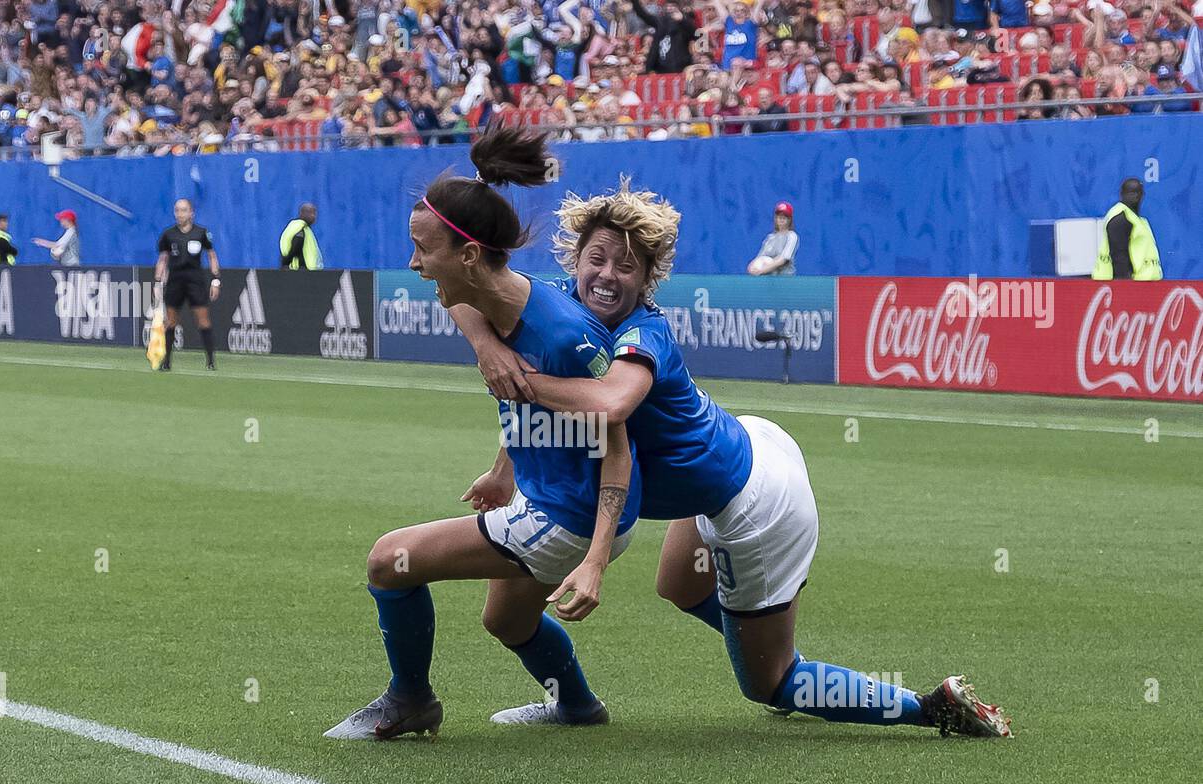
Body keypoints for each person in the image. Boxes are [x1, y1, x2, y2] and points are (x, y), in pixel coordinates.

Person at [456, 179, 1011, 737]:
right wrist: (489, 349)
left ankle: (925, 705)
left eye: (626, 266)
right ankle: (766, 640)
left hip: (755, 501)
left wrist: (516, 378)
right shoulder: (562, 304)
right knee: (678, 585)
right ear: (574, 259)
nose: (606, 275)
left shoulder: (643, 329)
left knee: (768, 684)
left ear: (649, 280)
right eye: (596, 258)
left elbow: (611, 401)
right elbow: (465, 291)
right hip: (746, 442)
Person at [324, 128, 641, 741]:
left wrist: (597, 559)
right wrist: (505, 466)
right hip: (549, 497)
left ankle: (410, 700)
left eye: (423, 250)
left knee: (391, 560)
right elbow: (465, 306)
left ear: (469, 256)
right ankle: (577, 706)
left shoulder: (562, 337)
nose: (413, 263)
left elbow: (617, 445)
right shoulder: (491, 297)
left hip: (574, 517)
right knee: (507, 620)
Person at [155, 199, 221, 371]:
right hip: (175, 280)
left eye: (183, 210)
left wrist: (215, 280)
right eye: (177, 210)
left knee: (203, 320)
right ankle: (167, 361)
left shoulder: (201, 233)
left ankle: (210, 361)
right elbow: (163, 259)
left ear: (191, 213)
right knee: (171, 321)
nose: (180, 214)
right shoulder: (168, 234)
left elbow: (212, 256)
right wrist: (157, 281)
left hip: (195, 280)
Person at [1092, 177, 1162, 280]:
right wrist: (1126, 286)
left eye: (1138, 192)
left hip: (1144, 283)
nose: (1136, 196)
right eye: (1131, 192)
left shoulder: (1138, 220)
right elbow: (1119, 257)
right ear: (1122, 194)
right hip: (1128, 284)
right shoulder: (1120, 218)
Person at [747, 201, 799, 276]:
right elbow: (760, 258)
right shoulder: (770, 238)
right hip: (768, 279)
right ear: (775, 218)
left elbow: (783, 259)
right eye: (779, 215)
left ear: (790, 219)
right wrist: (752, 267)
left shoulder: (792, 236)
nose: (781, 218)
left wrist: (762, 270)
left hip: (785, 279)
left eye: (785, 216)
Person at [279, 203, 321, 270]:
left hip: (303, 270)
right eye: (311, 213)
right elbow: (295, 248)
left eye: (315, 214)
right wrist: (285, 263)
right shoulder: (300, 229)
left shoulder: (301, 228)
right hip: (300, 270)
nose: (314, 216)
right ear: (302, 213)